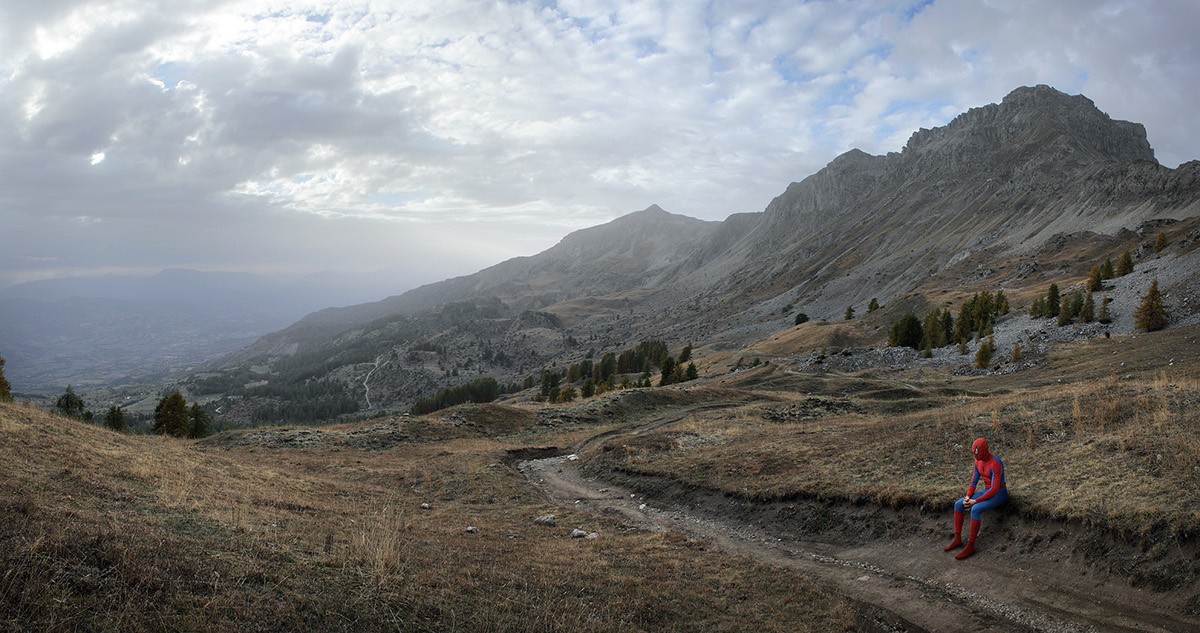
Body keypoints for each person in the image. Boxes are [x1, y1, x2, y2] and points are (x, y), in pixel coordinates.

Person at [944, 437, 1007, 560]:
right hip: (987, 490)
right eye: (974, 454)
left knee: (975, 509)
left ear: (984, 451)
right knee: (958, 504)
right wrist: (968, 496)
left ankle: (971, 545)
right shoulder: (978, 461)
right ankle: (957, 539)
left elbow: (994, 489)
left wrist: (975, 501)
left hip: (999, 493)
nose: (976, 457)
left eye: (978, 454)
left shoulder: (996, 463)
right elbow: (973, 482)